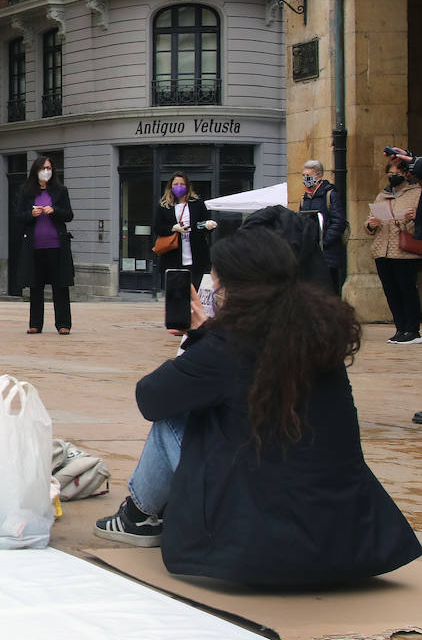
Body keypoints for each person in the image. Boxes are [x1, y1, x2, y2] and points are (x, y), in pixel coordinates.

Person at [93, 228, 421, 586]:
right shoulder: (320, 335)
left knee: (177, 415)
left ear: (233, 289)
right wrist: (209, 334)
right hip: (347, 540)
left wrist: (199, 340)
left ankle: (138, 515)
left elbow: (151, 397)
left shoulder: (225, 347)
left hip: (261, 547)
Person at [364, 155, 421, 344]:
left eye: (396, 173)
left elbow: (419, 222)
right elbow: (369, 220)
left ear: (406, 174)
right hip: (382, 250)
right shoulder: (382, 195)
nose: (393, 176)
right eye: (390, 173)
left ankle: (412, 330)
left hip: (404, 252)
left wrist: (412, 218)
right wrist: (371, 224)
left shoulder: (416, 194)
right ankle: (400, 328)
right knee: (391, 292)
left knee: (407, 290)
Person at [16, 155, 74, 335]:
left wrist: (54, 210)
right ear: (36, 171)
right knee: (36, 286)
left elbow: (69, 215)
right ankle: (35, 324)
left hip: (56, 246)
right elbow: (18, 216)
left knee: (60, 286)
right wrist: (31, 214)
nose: (46, 171)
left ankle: (63, 324)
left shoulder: (60, 191)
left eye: (49, 168)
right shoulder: (26, 192)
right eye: (43, 168)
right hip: (34, 246)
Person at [153, 171, 216, 290]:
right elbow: (157, 228)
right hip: (173, 256)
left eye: (182, 184)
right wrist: (173, 228)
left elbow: (202, 224)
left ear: (187, 186)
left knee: (195, 290)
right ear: (170, 187)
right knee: (176, 292)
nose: (179, 187)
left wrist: (207, 225)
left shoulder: (197, 204)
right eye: (176, 184)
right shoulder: (164, 206)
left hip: (196, 255)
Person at [298, 160, 347, 295]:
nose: (305, 179)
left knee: (329, 292)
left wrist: (323, 242)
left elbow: (338, 222)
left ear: (318, 176)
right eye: (303, 175)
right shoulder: (304, 198)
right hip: (310, 253)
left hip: (328, 253)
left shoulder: (330, 195)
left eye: (308, 175)